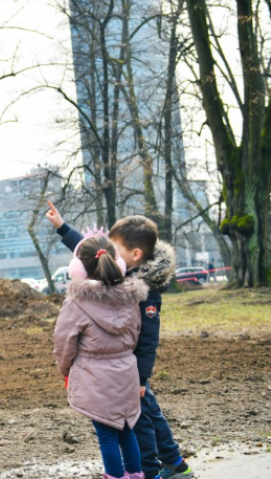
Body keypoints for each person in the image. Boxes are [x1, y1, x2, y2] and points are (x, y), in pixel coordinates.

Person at [46, 202, 195, 479]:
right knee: (146, 415)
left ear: (135, 254)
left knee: (142, 422)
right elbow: (94, 253)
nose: (109, 252)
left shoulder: (145, 290)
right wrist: (63, 228)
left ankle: (154, 470)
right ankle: (174, 463)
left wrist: (141, 378)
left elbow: (148, 340)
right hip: (122, 366)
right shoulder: (119, 269)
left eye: (115, 248)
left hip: (132, 369)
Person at [54, 235, 147, 479]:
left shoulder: (76, 303)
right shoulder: (131, 298)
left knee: (107, 435)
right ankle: (135, 475)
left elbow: (64, 344)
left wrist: (65, 370)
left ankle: (115, 476)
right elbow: (135, 336)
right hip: (126, 374)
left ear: (79, 269)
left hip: (94, 379)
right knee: (127, 430)